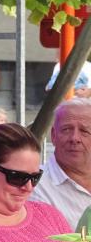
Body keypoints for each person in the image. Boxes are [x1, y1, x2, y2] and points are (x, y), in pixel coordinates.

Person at [30, 98, 91, 229]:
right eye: (66, 129)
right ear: (53, 135)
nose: (75, 138)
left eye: (84, 131)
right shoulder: (33, 185)